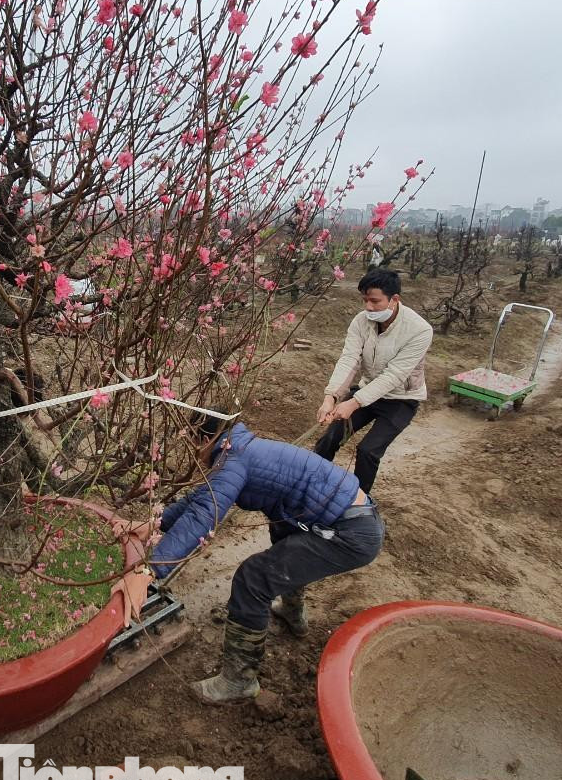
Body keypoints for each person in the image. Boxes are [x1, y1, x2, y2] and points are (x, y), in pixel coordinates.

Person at [112, 417, 384, 706]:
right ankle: (292, 613)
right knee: (285, 546)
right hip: (348, 520)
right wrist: (154, 524)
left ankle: (238, 681)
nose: (194, 453)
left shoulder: (233, 460)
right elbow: (202, 496)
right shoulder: (242, 447)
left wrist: (148, 570)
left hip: (349, 535)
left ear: (203, 439)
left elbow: (204, 513)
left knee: (254, 578)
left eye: (192, 443)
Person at [313, 267, 432, 493]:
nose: (368, 307)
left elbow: (394, 375)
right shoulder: (361, 322)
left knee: (368, 451)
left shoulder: (419, 330)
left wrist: (353, 403)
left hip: (401, 399)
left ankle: (359, 501)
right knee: (332, 436)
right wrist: (331, 397)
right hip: (367, 389)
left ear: (394, 299)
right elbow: (349, 359)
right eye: (365, 300)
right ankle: (310, 480)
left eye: (375, 301)